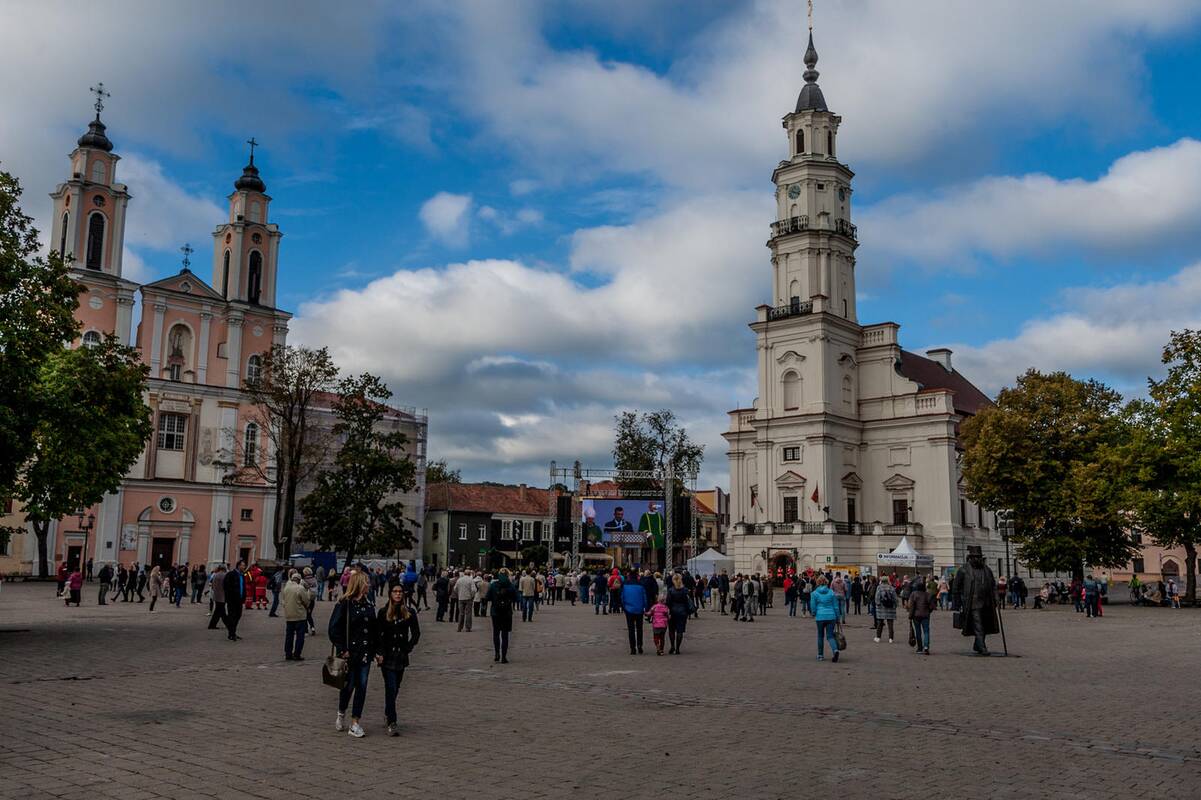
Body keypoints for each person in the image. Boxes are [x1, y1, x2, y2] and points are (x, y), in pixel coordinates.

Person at [329, 571, 377, 738]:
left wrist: (376, 650)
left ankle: (355, 722)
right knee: (348, 686)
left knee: (362, 687)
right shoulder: (345, 604)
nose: (368, 585)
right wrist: (343, 649)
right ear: (359, 584)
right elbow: (333, 629)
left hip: (365, 653)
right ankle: (341, 711)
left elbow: (373, 629)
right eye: (366, 582)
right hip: (349, 654)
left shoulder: (369, 605)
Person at [376, 583, 421, 736]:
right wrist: (379, 652)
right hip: (387, 656)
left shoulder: (409, 612)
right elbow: (378, 635)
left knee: (396, 687)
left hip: (401, 655)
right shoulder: (383, 612)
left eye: (400, 591)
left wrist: (408, 647)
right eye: (395, 591)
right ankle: (392, 721)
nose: (398, 594)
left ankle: (388, 711)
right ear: (390, 594)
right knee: (390, 687)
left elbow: (416, 633)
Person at [951, 545, 999, 656]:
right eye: (975, 557)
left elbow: (993, 585)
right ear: (970, 558)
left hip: (987, 602)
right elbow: (955, 588)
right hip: (972, 602)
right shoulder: (963, 570)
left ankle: (978, 644)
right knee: (978, 624)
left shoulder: (987, 570)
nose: (977, 559)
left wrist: (996, 597)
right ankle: (982, 647)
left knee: (985, 624)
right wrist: (957, 603)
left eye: (979, 557)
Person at [486, 569, 518, 663]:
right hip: (507, 613)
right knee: (505, 635)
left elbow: (487, 597)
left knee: (496, 633)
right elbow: (517, 598)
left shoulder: (493, 585)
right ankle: (504, 656)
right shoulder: (511, 586)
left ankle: (497, 653)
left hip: (495, 612)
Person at [281, 569, 313, 661]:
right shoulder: (300, 588)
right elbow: (306, 601)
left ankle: (288, 653)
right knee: (300, 636)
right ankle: (297, 654)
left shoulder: (286, 588)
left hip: (289, 616)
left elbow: (283, 601)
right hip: (300, 615)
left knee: (289, 636)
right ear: (299, 580)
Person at [809, 574, 840, 662]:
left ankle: (820, 655)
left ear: (818, 583)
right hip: (831, 616)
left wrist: (814, 613)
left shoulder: (814, 593)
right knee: (830, 636)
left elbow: (813, 606)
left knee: (820, 635)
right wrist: (838, 617)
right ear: (826, 582)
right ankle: (835, 650)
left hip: (820, 617)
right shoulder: (831, 592)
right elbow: (836, 606)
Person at [621, 569, 648, 655]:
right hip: (639, 609)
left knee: (631, 629)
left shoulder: (625, 584)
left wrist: (624, 607)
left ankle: (632, 648)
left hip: (629, 609)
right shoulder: (641, 584)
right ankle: (640, 646)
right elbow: (645, 597)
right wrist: (645, 607)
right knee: (639, 628)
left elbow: (622, 597)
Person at [665, 573, 691, 654]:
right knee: (680, 630)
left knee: (671, 630)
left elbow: (668, 602)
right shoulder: (685, 590)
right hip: (682, 612)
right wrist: (688, 612)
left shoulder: (670, 590)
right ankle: (677, 648)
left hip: (672, 612)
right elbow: (687, 602)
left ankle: (672, 646)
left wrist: (668, 611)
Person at [908, 576, 933, 655]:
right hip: (925, 615)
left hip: (916, 616)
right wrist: (928, 611)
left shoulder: (913, 594)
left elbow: (911, 606)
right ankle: (926, 647)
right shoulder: (927, 594)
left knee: (918, 632)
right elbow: (932, 606)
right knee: (926, 631)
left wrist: (910, 616)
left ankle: (919, 648)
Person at [223, 560, 246, 641]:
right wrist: (229, 597)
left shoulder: (242, 575)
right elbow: (226, 586)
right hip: (232, 600)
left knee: (238, 616)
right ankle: (231, 634)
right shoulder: (231, 574)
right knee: (232, 616)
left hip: (239, 600)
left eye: (244, 565)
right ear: (238, 566)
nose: (244, 567)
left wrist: (243, 597)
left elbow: (243, 587)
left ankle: (232, 632)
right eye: (243, 565)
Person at [873, 576, 898, 643]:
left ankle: (878, 637)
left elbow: (877, 598)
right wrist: (895, 605)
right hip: (890, 608)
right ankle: (891, 638)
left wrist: (878, 604)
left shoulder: (879, 587)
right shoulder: (891, 588)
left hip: (881, 609)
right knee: (890, 624)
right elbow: (895, 598)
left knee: (880, 623)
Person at [207, 565, 227, 629]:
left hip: (216, 595)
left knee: (219, 611)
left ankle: (213, 625)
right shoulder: (224, 575)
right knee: (220, 611)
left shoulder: (215, 575)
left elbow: (212, 585)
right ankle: (212, 625)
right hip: (222, 595)